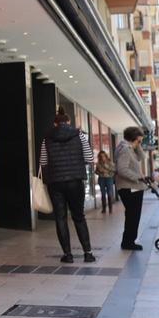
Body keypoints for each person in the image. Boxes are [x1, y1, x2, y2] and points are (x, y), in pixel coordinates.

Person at [39, 108, 96, 264]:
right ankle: (88, 253)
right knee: (79, 216)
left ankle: (68, 255)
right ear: (69, 122)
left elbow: (43, 162)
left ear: (55, 123)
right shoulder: (79, 135)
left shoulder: (47, 138)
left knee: (60, 218)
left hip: (55, 182)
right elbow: (90, 157)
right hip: (75, 181)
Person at [115, 127, 146, 251]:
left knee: (132, 215)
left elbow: (142, 157)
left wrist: (137, 145)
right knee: (133, 215)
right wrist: (137, 177)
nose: (141, 142)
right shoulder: (125, 150)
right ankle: (128, 242)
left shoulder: (129, 148)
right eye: (139, 140)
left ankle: (128, 241)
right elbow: (122, 169)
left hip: (132, 187)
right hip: (130, 187)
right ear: (134, 138)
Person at [95, 150, 115, 214]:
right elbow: (96, 171)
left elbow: (114, 170)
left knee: (109, 193)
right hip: (102, 179)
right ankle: (104, 209)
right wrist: (100, 172)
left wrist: (107, 168)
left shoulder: (110, 162)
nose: (102, 157)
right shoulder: (98, 163)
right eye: (101, 156)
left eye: (103, 156)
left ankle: (110, 209)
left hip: (109, 178)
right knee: (103, 193)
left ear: (106, 156)